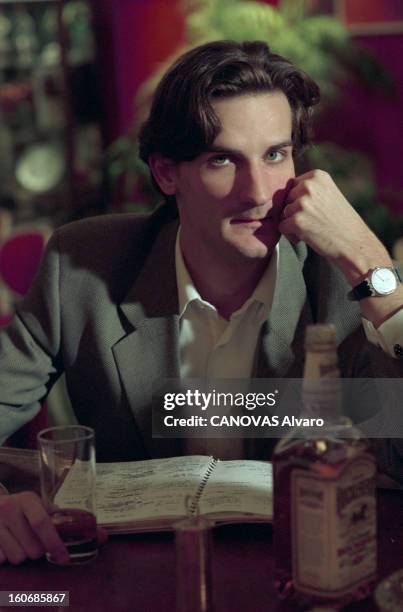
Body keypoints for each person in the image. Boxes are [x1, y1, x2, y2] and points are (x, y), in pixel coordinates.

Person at [0, 40, 402, 564]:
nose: (258, 192)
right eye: (222, 160)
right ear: (167, 173)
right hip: (134, 580)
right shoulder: (80, 265)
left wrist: (373, 266)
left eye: (276, 155)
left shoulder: (347, 280)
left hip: (307, 570)